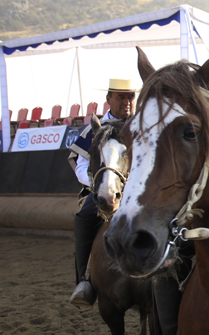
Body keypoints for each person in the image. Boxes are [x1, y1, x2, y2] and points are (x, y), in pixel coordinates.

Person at [68, 79, 136, 306]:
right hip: (104, 188)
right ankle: (83, 281)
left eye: (130, 97)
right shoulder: (95, 129)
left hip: (140, 188)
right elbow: (80, 165)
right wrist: (101, 184)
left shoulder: (141, 125)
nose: (126, 102)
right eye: (120, 97)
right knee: (85, 217)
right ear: (108, 99)